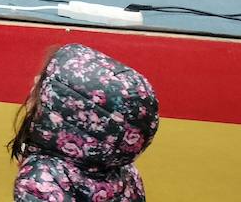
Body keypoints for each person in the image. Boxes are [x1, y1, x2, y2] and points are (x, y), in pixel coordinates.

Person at [10, 44, 158, 202]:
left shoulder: (41, 181)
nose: (36, 79)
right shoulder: (123, 172)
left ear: (64, 111)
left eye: (45, 83)